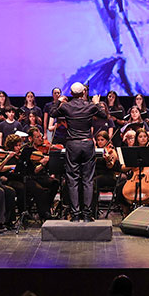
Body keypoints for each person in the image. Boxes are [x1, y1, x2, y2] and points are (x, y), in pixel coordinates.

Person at [55, 82, 108, 220]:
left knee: (73, 180)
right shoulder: (90, 106)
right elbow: (103, 116)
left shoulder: (66, 106)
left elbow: (53, 113)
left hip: (72, 145)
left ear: (71, 94)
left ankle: (75, 215)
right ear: (84, 92)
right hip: (87, 144)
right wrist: (97, 103)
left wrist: (58, 101)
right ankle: (87, 215)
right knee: (88, 180)